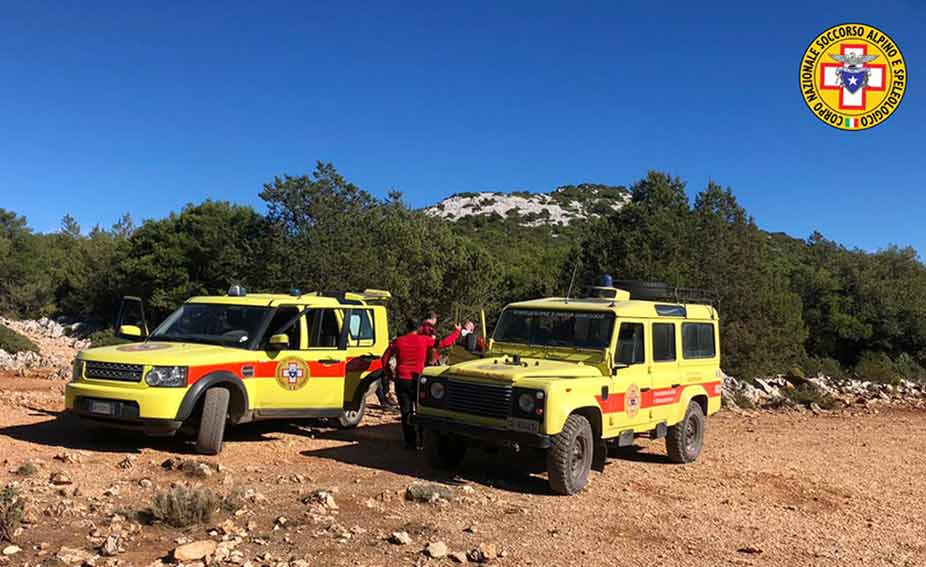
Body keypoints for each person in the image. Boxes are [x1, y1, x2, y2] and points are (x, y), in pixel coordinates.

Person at [381, 317, 461, 448]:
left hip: (402, 379)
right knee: (421, 411)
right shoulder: (424, 340)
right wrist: (456, 332)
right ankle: (422, 441)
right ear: (418, 328)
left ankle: (410, 442)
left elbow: (384, 359)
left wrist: (390, 374)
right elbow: (444, 343)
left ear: (406, 327)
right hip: (418, 379)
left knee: (406, 411)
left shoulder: (398, 341)